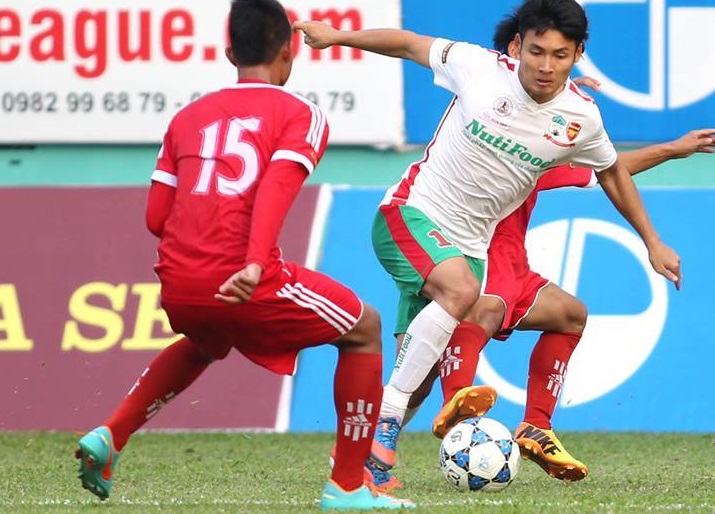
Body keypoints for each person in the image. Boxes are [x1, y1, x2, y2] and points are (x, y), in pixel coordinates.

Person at [294, 0, 681, 478]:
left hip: (469, 251)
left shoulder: (580, 120)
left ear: (578, 54)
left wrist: (652, 240)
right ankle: (392, 420)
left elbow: (612, 173)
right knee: (462, 293)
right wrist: (338, 36)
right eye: (536, 51)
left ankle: (358, 468)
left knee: (421, 372)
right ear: (517, 45)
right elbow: (409, 43)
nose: (545, 66)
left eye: (559, 55)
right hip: (411, 213)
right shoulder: (478, 67)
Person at [73, 0, 415, 510]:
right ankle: (347, 487)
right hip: (247, 274)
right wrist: (254, 262)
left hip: (179, 280)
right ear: (289, 51)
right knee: (364, 327)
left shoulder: (186, 118)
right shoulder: (301, 114)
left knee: (205, 342)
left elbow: (156, 216)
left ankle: (111, 434)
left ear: (229, 52)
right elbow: (276, 187)